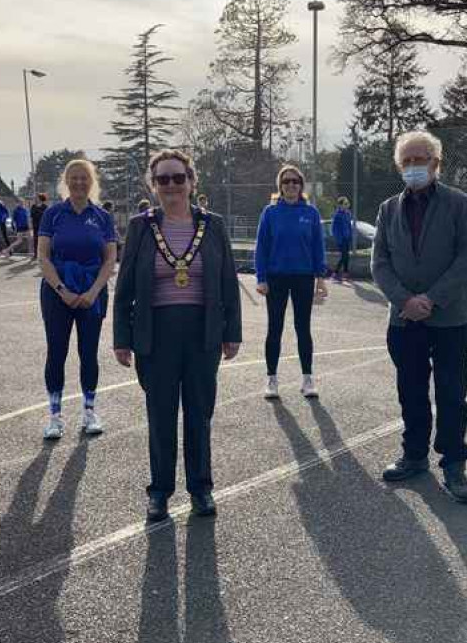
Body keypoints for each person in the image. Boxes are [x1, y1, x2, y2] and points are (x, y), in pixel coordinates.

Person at [113, 149, 242, 522]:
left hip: (203, 333)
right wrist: (122, 337)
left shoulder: (213, 224)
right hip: (156, 334)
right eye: (163, 179)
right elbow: (124, 289)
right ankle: (159, 492)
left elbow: (227, 281)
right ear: (153, 186)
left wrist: (231, 330)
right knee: (161, 415)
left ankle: (201, 489)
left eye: (178, 178)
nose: (171, 185)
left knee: (199, 414)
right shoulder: (141, 226)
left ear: (191, 181)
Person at [371, 131, 467, 504]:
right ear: (400, 167)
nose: (415, 167)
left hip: (449, 318)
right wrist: (405, 300)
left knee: (452, 393)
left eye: (422, 159)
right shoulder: (388, 209)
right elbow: (380, 262)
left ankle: (453, 463)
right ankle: (414, 455)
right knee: (411, 391)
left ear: (436, 163)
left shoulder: (458, 203)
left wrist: (432, 299)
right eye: (408, 161)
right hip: (404, 320)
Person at [37, 159, 118, 441]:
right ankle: (55, 417)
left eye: (84, 178)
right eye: (74, 178)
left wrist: (93, 291)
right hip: (57, 293)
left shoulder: (102, 217)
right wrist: (62, 290)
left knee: (89, 353)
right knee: (56, 353)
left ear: (92, 181)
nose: (79, 182)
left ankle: (89, 411)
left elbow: (110, 259)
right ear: (66, 182)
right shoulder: (53, 214)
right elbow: (43, 257)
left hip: (91, 292)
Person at [254, 164, 328, 400]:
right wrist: (261, 278)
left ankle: (307, 379)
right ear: (280, 186)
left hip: (303, 277)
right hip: (276, 278)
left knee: (303, 328)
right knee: (274, 328)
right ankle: (271, 379)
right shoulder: (270, 212)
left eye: (295, 181)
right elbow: (261, 246)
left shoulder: (311, 213)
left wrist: (320, 279)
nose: (291, 185)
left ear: (301, 185)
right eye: (286, 182)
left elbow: (318, 247)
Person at [331, 196, 353, 283]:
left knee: (346, 256)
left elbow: (349, 226)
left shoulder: (348, 214)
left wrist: (350, 236)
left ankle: (345, 274)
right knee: (344, 256)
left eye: (348, 203)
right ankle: (335, 273)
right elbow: (334, 229)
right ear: (340, 205)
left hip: (347, 238)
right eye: (345, 203)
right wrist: (339, 239)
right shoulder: (337, 215)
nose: (347, 205)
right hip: (341, 239)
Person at [30, 193, 49, 260]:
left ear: (40, 198)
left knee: (43, 241)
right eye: (35, 198)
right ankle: (35, 255)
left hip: (43, 226)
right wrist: (31, 226)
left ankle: (44, 255)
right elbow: (31, 217)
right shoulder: (33, 206)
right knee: (35, 240)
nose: (35, 199)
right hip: (35, 226)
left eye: (36, 198)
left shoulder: (45, 207)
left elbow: (47, 217)